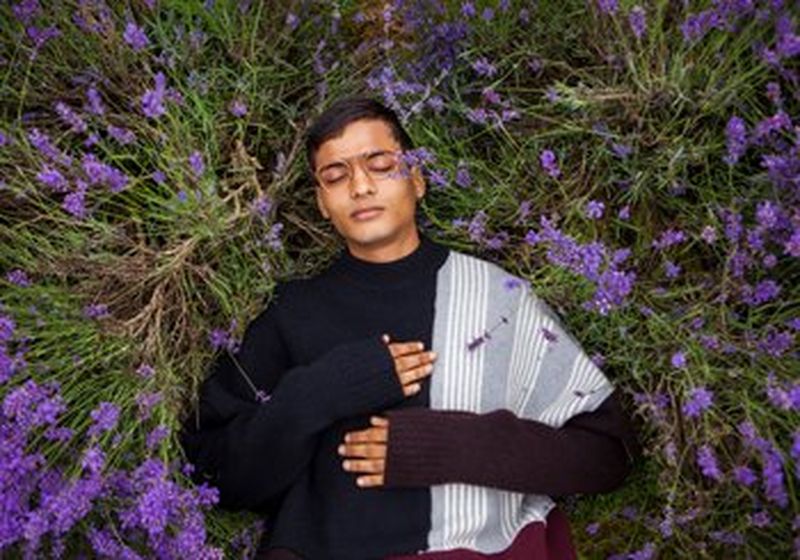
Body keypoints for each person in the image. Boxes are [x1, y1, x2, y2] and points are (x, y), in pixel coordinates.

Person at [179, 95, 641, 560]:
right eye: (336, 176)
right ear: (322, 202)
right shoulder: (289, 312)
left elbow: (606, 455)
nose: (360, 186)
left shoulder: (497, 298)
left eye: (380, 164)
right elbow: (214, 473)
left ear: (417, 179)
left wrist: (451, 445)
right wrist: (320, 391)